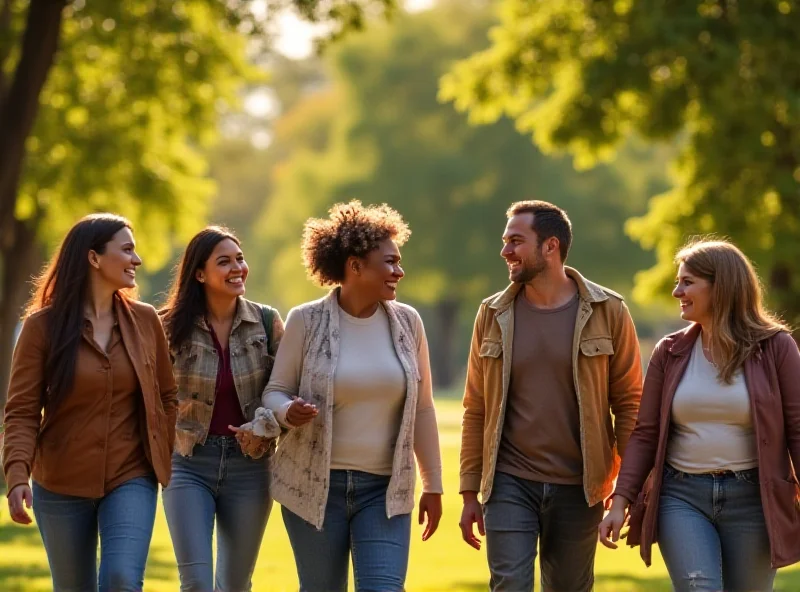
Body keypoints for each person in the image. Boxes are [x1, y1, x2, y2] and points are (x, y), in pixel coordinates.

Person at [459, 200, 643, 591]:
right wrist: (469, 490)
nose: (505, 250)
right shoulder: (492, 313)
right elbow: (476, 407)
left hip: (581, 486)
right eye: (505, 241)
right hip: (509, 481)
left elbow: (629, 403)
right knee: (509, 584)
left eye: (515, 241)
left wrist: (629, 486)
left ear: (550, 246)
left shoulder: (608, 310)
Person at [261, 201, 443, 592]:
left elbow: (424, 408)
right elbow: (274, 392)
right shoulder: (305, 320)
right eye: (390, 262)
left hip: (384, 491)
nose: (399, 271)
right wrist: (287, 411)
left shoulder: (408, 323)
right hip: (313, 489)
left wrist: (433, 484)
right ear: (355, 265)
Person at [599, 239, 800, 592]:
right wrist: (620, 501)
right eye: (678, 282)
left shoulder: (776, 347)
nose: (677, 291)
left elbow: (797, 428)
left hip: (754, 500)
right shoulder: (670, 351)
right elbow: (645, 433)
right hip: (682, 497)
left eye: (688, 282)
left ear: (721, 286)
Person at [2, 213, 177, 591]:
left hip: (130, 475)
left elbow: (167, 396)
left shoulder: (146, 322)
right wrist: (17, 473)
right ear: (94, 258)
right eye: (127, 249)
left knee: (120, 579)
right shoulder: (41, 328)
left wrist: (160, 451)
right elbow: (22, 410)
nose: (137, 259)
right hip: (60, 482)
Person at [159, 226, 284, 592]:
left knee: (234, 585)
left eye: (240, 259)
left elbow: (286, 389)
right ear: (199, 274)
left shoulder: (265, 322)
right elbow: (151, 398)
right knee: (196, 582)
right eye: (224, 261)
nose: (238, 268)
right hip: (187, 463)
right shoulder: (167, 326)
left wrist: (264, 425)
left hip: (251, 467)